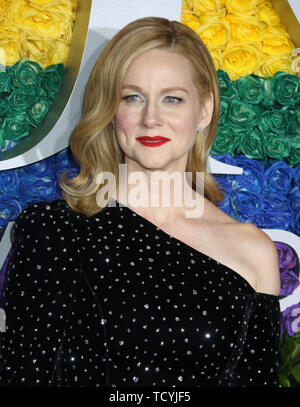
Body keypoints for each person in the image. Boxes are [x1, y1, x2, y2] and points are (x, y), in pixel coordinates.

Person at [0, 17, 281, 387]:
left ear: (204, 111)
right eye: (132, 97)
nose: (151, 119)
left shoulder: (252, 251)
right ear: (110, 109)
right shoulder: (52, 230)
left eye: (172, 99)